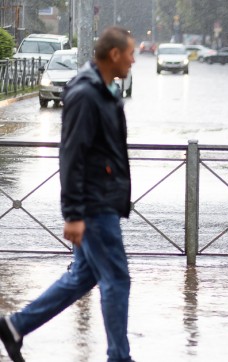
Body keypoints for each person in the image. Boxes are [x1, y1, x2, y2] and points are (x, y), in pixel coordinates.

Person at [0, 26, 136, 362]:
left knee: (83, 277)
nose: (134, 59)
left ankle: (15, 326)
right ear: (114, 54)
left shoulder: (106, 90)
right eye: (131, 53)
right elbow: (71, 155)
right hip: (94, 204)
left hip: (102, 199)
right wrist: (73, 214)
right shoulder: (86, 94)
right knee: (117, 279)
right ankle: (120, 358)